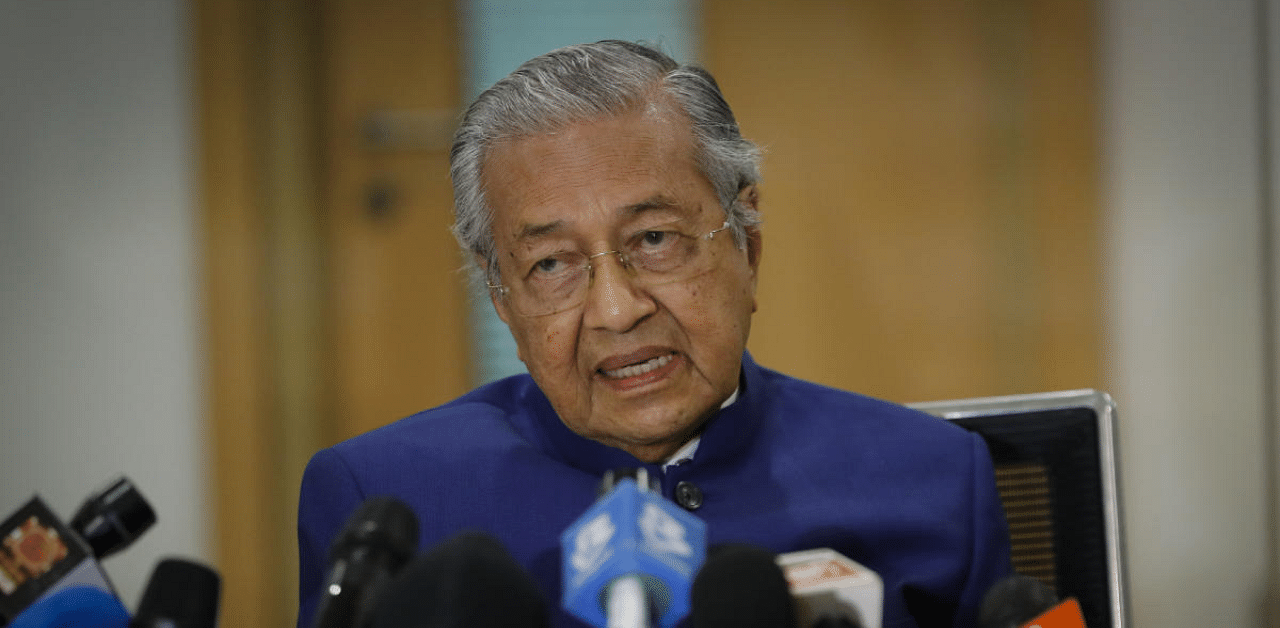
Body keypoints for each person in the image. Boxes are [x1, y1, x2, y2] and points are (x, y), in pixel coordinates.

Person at [297, 40, 1011, 628]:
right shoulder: (386, 504)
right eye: (551, 263)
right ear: (502, 298)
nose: (616, 310)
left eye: (656, 239)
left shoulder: (936, 481)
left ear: (747, 242)